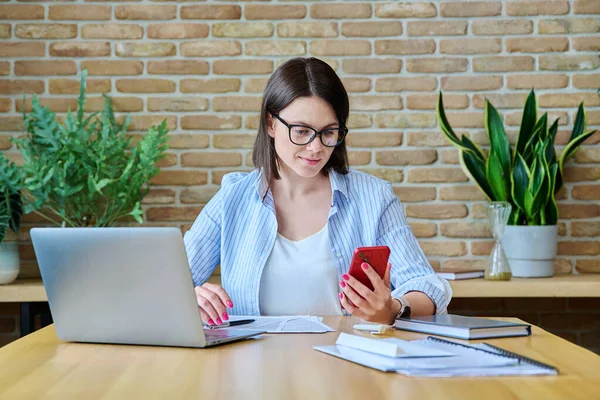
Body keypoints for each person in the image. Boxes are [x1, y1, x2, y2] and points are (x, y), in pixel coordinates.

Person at [183, 57, 452, 327]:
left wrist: (393, 308)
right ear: (270, 124)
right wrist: (189, 297)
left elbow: (427, 286)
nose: (316, 148)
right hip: (252, 364)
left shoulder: (374, 198)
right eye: (301, 131)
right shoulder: (233, 198)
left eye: (329, 133)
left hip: (346, 362)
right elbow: (167, 282)